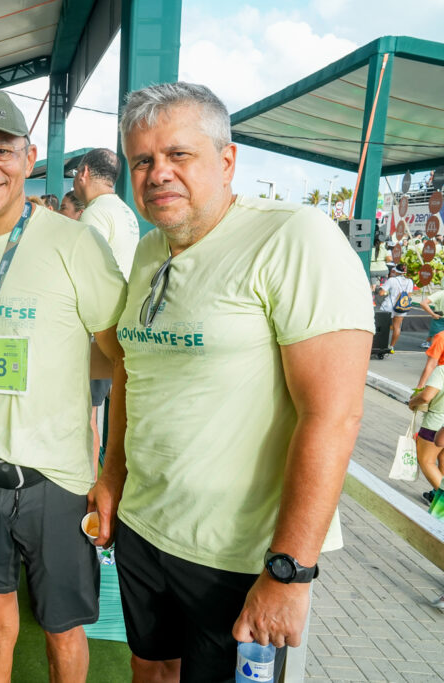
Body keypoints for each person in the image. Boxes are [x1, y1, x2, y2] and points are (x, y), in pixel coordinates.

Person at [95, 81, 372, 681]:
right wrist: (111, 474)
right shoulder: (149, 252)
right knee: (151, 671)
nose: (157, 173)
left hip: (239, 556)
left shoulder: (294, 237)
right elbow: (130, 370)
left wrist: (289, 571)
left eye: (178, 155)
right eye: (142, 160)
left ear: (227, 160)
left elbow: (334, 415)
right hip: (146, 530)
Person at [0, 89, 128, 681]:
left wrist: (110, 469)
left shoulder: (75, 243)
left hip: (59, 477)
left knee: (64, 624)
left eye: (1, 150)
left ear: (28, 154)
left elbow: (121, 358)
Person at [74, 148, 140, 278]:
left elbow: (87, 273)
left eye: (76, 171)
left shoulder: (95, 213)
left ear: (84, 172)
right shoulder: (126, 211)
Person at [408, 375, 444, 504]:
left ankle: (441, 497)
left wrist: (412, 403)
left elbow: (425, 397)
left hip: (436, 424)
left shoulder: (441, 371)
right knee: (442, 459)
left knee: (426, 461)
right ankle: (436, 496)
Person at [377, 263, 413, 353]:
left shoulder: (392, 280)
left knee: (382, 326)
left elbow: (381, 293)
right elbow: (409, 295)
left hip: (389, 306)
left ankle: (380, 345)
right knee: (397, 327)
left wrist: (379, 290)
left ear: (396, 271)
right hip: (402, 306)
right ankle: (391, 347)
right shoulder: (410, 281)